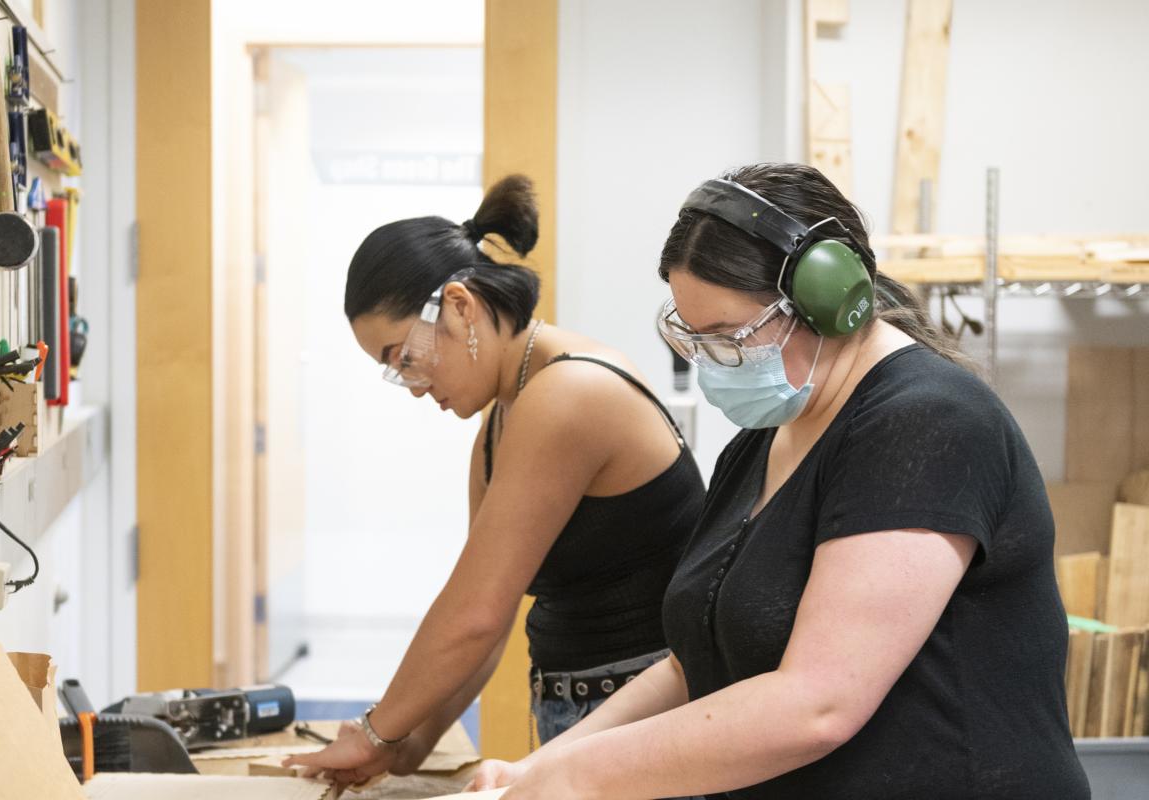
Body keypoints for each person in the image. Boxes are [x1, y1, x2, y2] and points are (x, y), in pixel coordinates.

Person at [466, 163, 1089, 799]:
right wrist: (542, 768)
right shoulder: (765, 439)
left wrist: (584, 777)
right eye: (693, 337)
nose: (713, 363)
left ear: (829, 302)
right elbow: (696, 665)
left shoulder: (929, 425)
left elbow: (818, 703)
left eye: (729, 336)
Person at [283, 175, 706, 784]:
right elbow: (492, 618)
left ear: (458, 305)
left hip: (647, 724)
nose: (413, 384)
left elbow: (473, 613)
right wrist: (407, 747)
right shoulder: (500, 426)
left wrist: (377, 729)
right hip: (587, 717)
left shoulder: (567, 393)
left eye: (403, 356)